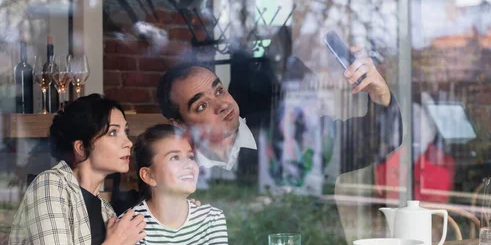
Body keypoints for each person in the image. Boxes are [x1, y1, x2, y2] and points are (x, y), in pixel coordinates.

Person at [156, 54, 402, 181]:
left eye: (219, 90)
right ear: (178, 123)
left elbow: (375, 139)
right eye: (201, 106)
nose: (221, 104)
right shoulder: (177, 172)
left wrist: (380, 92)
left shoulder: (289, 131)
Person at [5, 94, 146, 245]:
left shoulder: (106, 210)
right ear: (81, 147)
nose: (128, 142)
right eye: (113, 132)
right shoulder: (49, 185)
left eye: (125, 132)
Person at [118, 124, 229, 245]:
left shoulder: (212, 218)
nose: (189, 164)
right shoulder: (130, 226)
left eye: (190, 157)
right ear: (149, 175)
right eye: (174, 157)